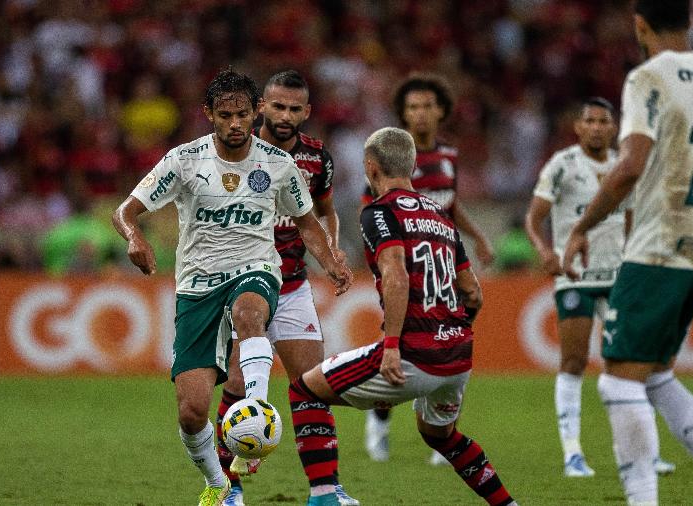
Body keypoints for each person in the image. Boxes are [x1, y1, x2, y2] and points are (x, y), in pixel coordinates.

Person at [561, 1, 693, 504]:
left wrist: (582, 226)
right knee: (655, 374)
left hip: (657, 250)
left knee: (618, 383)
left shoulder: (647, 78)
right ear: (689, 22)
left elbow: (630, 164)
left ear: (640, 25)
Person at [112, 69, 352, 506]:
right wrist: (135, 236)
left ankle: (258, 416)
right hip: (198, 286)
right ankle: (219, 484)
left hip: (257, 268)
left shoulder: (279, 166)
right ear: (209, 115)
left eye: (243, 114)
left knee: (250, 314)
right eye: (226, 115)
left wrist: (331, 261)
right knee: (191, 412)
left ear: (253, 111)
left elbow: (307, 222)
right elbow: (125, 211)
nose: (236, 124)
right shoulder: (185, 161)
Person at [290, 126, 517, 506]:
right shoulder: (441, 216)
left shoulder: (379, 213)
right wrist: (452, 333)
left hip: (412, 352)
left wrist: (393, 345)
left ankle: (325, 497)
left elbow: (395, 273)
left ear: (370, 167)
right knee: (440, 436)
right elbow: (472, 291)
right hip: (458, 355)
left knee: (305, 391)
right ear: (412, 167)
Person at [211, 70, 359, 506]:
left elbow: (325, 212)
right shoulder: (234, 152)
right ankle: (226, 488)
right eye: (277, 106)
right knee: (238, 383)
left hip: (293, 286)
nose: (285, 115)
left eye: (295, 109)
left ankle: (325, 492)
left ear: (307, 112)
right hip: (242, 285)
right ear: (261, 107)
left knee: (313, 384)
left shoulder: (317, 158)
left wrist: (330, 252)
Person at [525, 97, 675, 478]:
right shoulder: (562, 165)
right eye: (588, 120)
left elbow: (632, 220)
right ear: (578, 127)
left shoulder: (625, 166)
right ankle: (572, 452)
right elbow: (534, 217)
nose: (595, 126)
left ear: (613, 127)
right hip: (575, 276)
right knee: (574, 361)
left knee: (633, 362)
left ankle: (642, 451)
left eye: (602, 121)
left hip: (620, 277)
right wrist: (545, 250)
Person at [361, 72, 495, 465]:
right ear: (403, 113)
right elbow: (371, 206)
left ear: (441, 111)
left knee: (448, 337)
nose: (420, 114)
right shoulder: (393, 158)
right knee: (399, 339)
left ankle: (441, 423)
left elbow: (449, 207)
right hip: (404, 260)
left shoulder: (449, 157)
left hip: (443, 261)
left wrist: (479, 238)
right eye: (412, 107)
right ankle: (380, 420)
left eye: (427, 106)